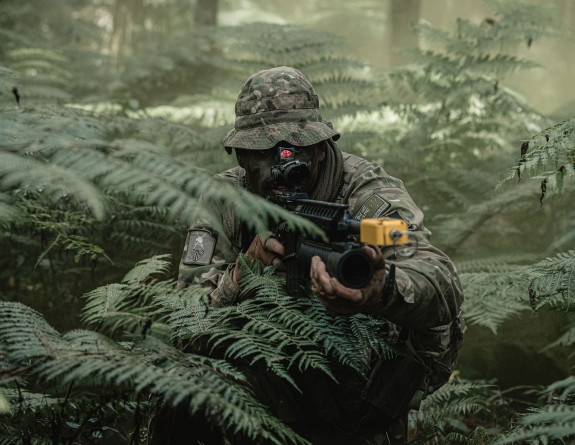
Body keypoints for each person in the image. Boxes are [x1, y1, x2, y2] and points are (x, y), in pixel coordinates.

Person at [174, 66, 465, 444]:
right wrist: (240, 275)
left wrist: (379, 289)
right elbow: (183, 318)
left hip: (362, 395)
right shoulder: (224, 202)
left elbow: (439, 278)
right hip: (264, 381)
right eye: (263, 153)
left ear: (318, 147)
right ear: (241, 154)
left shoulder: (365, 197)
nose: (281, 166)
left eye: (296, 151)